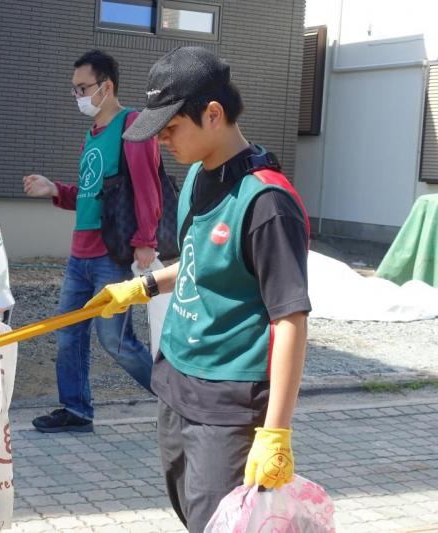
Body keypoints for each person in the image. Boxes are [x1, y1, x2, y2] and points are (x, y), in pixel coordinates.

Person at [85, 46, 310, 532]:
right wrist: (140, 286)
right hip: (175, 382)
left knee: (220, 524)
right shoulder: (195, 179)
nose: (163, 141)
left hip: (227, 402)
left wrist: (275, 431)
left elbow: (289, 319)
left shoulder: (266, 203)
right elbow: (196, 264)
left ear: (213, 114)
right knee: (192, 515)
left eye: (170, 129)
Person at [23, 50, 163, 433]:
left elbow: (148, 187)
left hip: (111, 257)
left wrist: (145, 241)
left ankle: (183, 404)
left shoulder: (132, 124)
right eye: (74, 90)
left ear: (107, 86)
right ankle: (76, 411)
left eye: (83, 88)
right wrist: (56, 190)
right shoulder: (93, 134)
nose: (78, 97)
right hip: (79, 256)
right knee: (69, 336)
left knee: (116, 342)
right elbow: (90, 194)